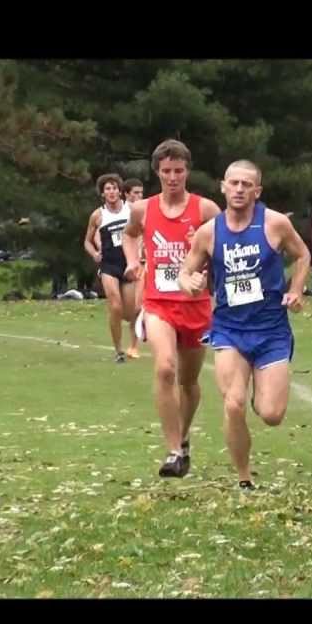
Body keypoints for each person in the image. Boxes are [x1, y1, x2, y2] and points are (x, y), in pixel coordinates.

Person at [177, 160, 310, 490]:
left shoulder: (275, 223)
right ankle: (244, 478)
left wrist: (295, 290)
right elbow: (184, 271)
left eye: (246, 185)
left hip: (271, 329)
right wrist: (189, 282)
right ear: (223, 186)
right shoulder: (210, 231)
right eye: (233, 183)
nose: (239, 190)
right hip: (229, 328)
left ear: (257, 191)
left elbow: (303, 255)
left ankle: (260, 393)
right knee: (233, 403)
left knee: (271, 414)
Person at [121, 140, 222, 478]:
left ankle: (184, 435)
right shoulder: (144, 209)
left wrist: (207, 263)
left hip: (195, 305)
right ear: (157, 172)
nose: (173, 177)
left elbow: (225, 247)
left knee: (189, 382)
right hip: (158, 302)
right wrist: (134, 262)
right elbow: (129, 235)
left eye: (179, 171)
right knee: (165, 368)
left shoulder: (205, 209)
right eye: (166, 171)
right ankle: (173, 450)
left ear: (187, 172)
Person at [84, 173, 141, 362]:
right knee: (115, 306)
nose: (112, 192)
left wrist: (142, 248)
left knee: (132, 311)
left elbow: (142, 230)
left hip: (128, 264)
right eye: (108, 189)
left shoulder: (131, 210)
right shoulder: (98, 215)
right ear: (103, 193)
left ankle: (133, 344)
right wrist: (94, 254)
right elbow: (87, 241)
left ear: (120, 191)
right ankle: (118, 351)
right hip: (109, 265)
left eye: (115, 188)